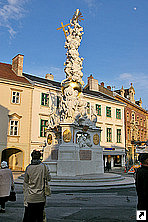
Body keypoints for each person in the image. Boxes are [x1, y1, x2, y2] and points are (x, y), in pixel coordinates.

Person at [23, 150, 51, 222]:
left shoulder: (28, 168)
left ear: (32, 157)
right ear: (40, 157)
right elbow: (49, 178)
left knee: (31, 217)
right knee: (40, 216)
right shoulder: (44, 167)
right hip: (40, 196)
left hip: (31, 196)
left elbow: (26, 181)